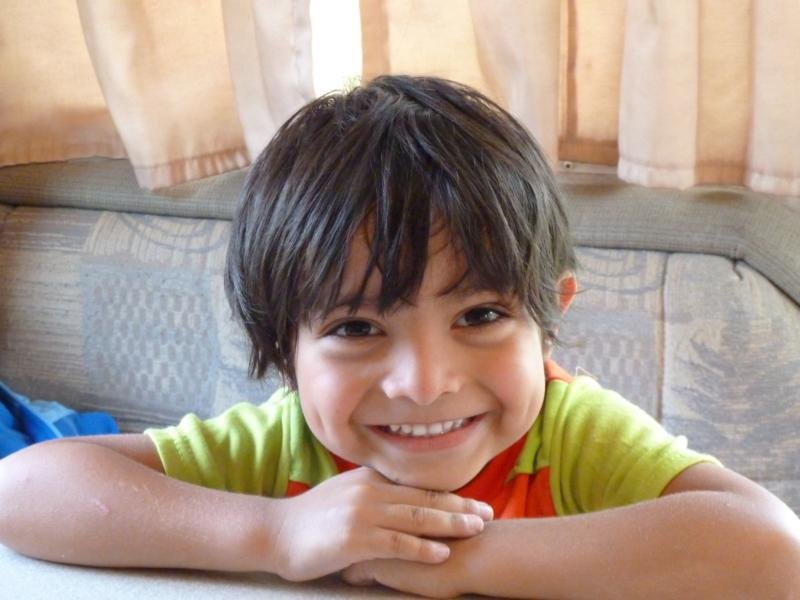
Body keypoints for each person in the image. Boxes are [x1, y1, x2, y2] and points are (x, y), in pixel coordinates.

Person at [0, 75, 798, 599]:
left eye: (479, 316)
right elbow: (23, 487)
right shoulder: (285, 448)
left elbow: (772, 550)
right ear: (284, 350)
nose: (424, 382)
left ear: (549, 318)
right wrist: (274, 532)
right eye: (356, 327)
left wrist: (464, 559)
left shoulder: (572, 436)